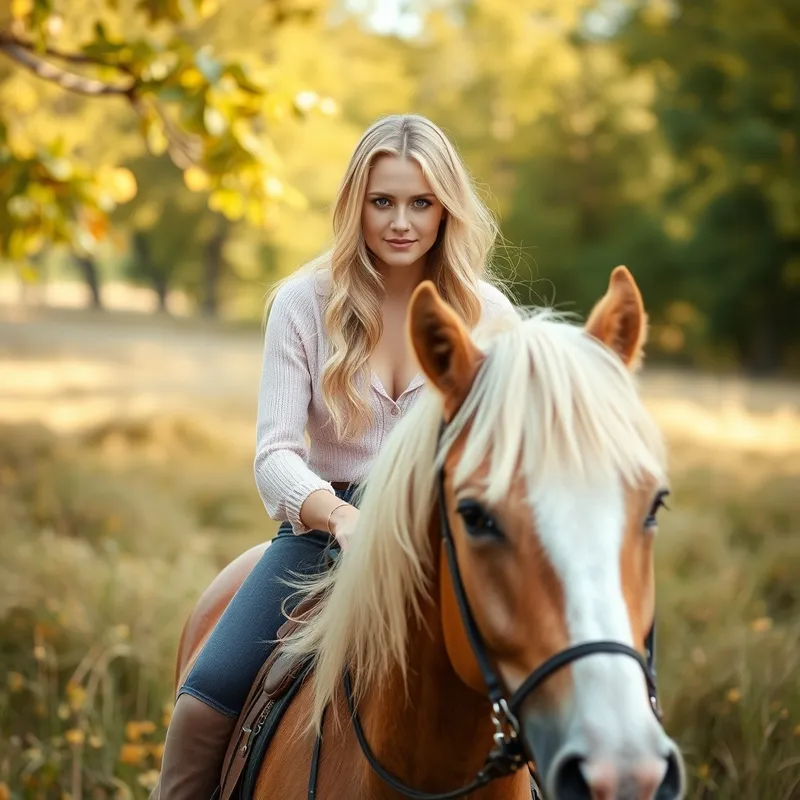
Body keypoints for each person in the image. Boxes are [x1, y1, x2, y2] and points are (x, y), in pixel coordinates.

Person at [153, 113, 517, 799]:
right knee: (206, 698)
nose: (401, 222)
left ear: (447, 208)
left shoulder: (491, 317)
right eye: (382, 201)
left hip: (450, 538)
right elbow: (275, 454)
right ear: (357, 203)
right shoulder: (303, 302)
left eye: (421, 202)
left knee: (552, 688)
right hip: (323, 533)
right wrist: (341, 520)